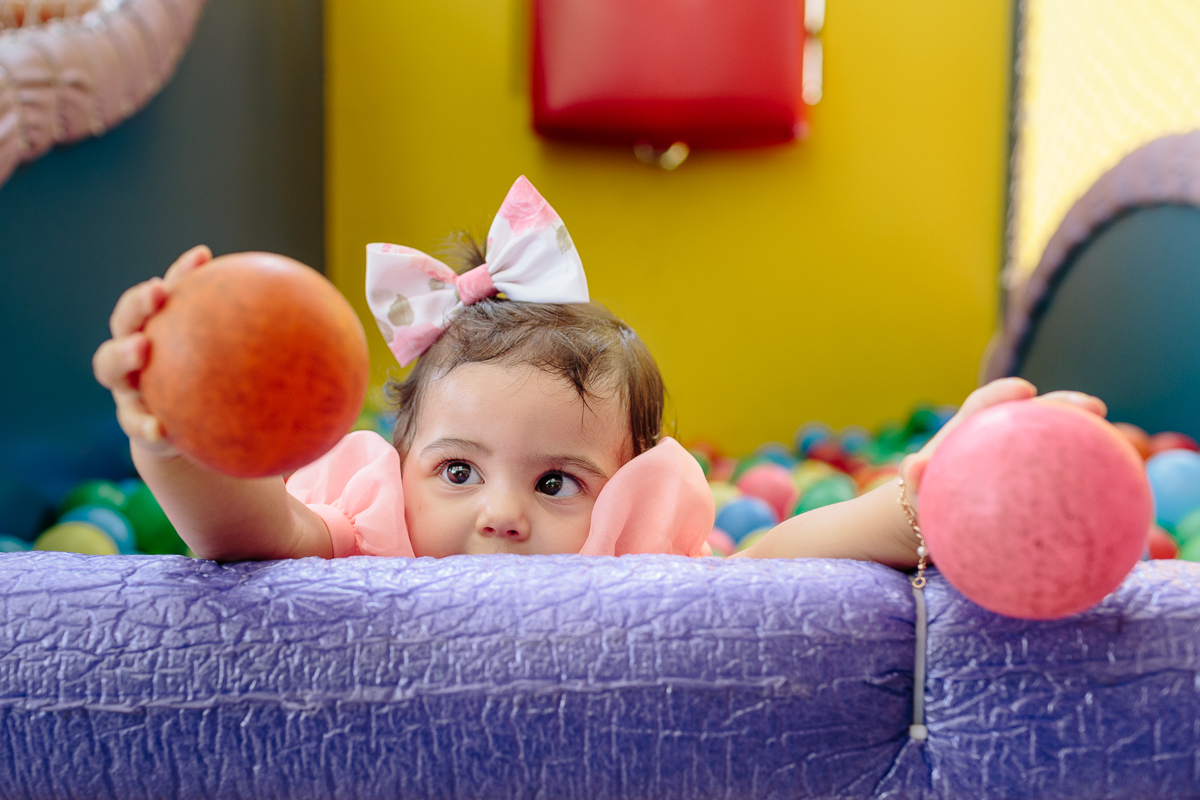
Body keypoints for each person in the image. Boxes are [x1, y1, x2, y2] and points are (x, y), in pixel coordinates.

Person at [93, 176, 1107, 563]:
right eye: (458, 468)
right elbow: (244, 533)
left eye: (555, 482)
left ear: (623, 487)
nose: (501, 512)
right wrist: (174, 434)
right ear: (397, 465)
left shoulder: (623, 564)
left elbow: (766, 571)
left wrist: (925, 500)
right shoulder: (363, 540)